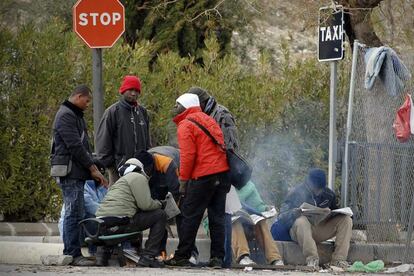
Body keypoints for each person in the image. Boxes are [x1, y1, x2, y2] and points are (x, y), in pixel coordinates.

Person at [165, 93, 230, 268]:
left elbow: (188, 155)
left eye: (176, 105)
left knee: (189, 216)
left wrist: (183, 181)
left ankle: (182, 256)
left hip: (203, 176)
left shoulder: (186, 124)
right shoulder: (208, 119)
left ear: (185, 106)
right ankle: (217, 258)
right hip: (222, 174)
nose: (174, 108)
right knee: (217, 218)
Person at [51, 84, 108, 266]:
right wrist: (93, 168)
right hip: (70, 172)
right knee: (73, 212)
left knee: (78, 212)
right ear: (78, 96)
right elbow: (75, 146)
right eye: (87, 100)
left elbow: (83, 148)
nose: (88, 104)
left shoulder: (74, 115)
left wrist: (96, 164)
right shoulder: (66, 115)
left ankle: (75, 252)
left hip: (76, 171)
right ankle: (72, 253)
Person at [189, 86, 238, 267]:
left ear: (201, 102)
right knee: (196, 214)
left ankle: (219, 258)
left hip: (219, 174)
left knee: (217, 217)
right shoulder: (202, 114)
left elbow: (231, 146)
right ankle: (194, 255)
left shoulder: (222, 114)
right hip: (202, 173)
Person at [274, 168, 353, 269]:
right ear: (308, 182)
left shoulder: (329, 194)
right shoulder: (296, 193)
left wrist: (343, 214)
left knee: (346, 220)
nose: (318, 191)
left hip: (319, 229)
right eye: (316, 187)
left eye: (321, 188)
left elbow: (336, 212)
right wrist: (293, 213)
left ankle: (338, 260)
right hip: (300, 231)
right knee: (301, 221)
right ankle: (312, 259)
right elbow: (281, 217)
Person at [96, 158, 167, 268]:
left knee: (123, 216)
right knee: (160, 215)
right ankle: (148, 256)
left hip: (101, 225)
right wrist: (160, 204)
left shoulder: (120, 181)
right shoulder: (138, 177)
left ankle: (102, 256)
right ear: (141, 168)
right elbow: (146, 205)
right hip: (119, 223)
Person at [95, 75, 151, 185]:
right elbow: (102, 141)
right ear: (123, 90)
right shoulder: (112, 112)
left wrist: (147, 159)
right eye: (130, 90)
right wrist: (111, 165)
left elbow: (147, 140)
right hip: (118, 168)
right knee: (118, 199)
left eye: (136, 90)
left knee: (138, 199)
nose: (134, 93)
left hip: (140, 167)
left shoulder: (143, 112)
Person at [232, 181, 283, 266]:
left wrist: (266, 208)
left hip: (246, 223)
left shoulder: (249, 185)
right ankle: (243, 257)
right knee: (235, 221)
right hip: (224, 223)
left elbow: (257, 206)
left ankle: (274, 258)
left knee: (261, 221)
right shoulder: (223, 183)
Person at [58, 180, 107, 255]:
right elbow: (92, 208)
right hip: (73, 232)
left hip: (86, 228)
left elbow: (106, 204)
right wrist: (112, 211)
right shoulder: (81, 185)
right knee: (94, 219)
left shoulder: (101, 186)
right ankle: (94, 253)